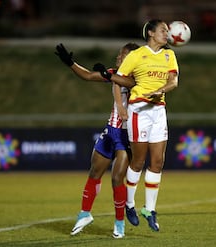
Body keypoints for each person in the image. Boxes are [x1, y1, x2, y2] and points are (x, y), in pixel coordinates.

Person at [93, 19, 179, 231]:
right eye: (163, 30)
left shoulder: (169, 55)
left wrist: (162, 91)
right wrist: (109, 75)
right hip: (138, 111)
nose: (166, 34)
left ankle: (150, 209)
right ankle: (130, 204)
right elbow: (119, 79)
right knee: (138, 161)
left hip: (158, 111)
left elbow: (173, 81)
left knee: (157, 162)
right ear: (150, 32)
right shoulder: (136, 55)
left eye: (167, 31)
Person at [55, 42, 140, 238]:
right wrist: (70, 63)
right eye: (119, 54)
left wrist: (111, 76)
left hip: (127, 135)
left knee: (117, 178)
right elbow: (87, 75)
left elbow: (129, 84)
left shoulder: (138, 78)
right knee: (94, 172)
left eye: (123, 55)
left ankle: (119, 223)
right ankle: (85, 213)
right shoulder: (115, 73)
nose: (118, 57)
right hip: (111, 131)